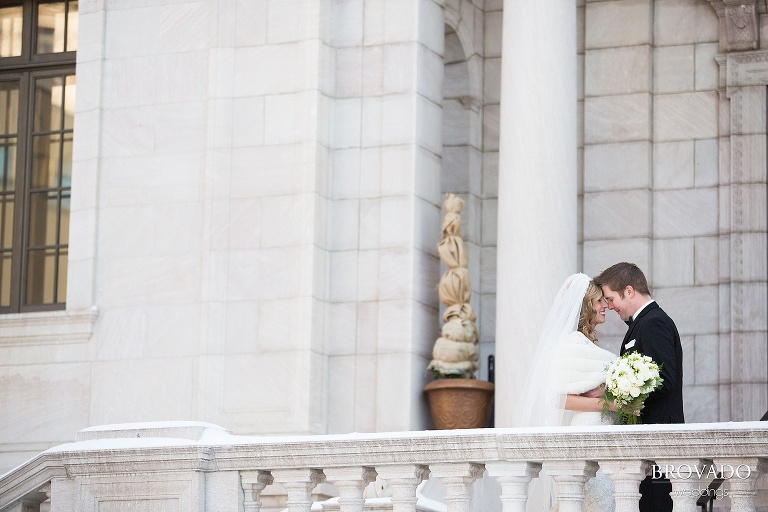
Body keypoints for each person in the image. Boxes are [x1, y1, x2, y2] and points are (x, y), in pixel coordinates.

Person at [517, 273, 618, 512]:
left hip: (602, 429)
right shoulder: (572, 343)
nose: (605, 306)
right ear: (586, 306)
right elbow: (558, 397)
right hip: (589, 427)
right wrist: (607, 404)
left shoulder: (587, 342)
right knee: (595, 497)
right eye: (599, 301)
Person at [594, 262, 684, 512]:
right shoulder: (642, 323)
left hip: (658, 441)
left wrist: (618, 392)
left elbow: (665, 380)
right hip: (644, 443)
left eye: (611, 298)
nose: (610, 306)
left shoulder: (653, 322)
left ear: (629, 291)